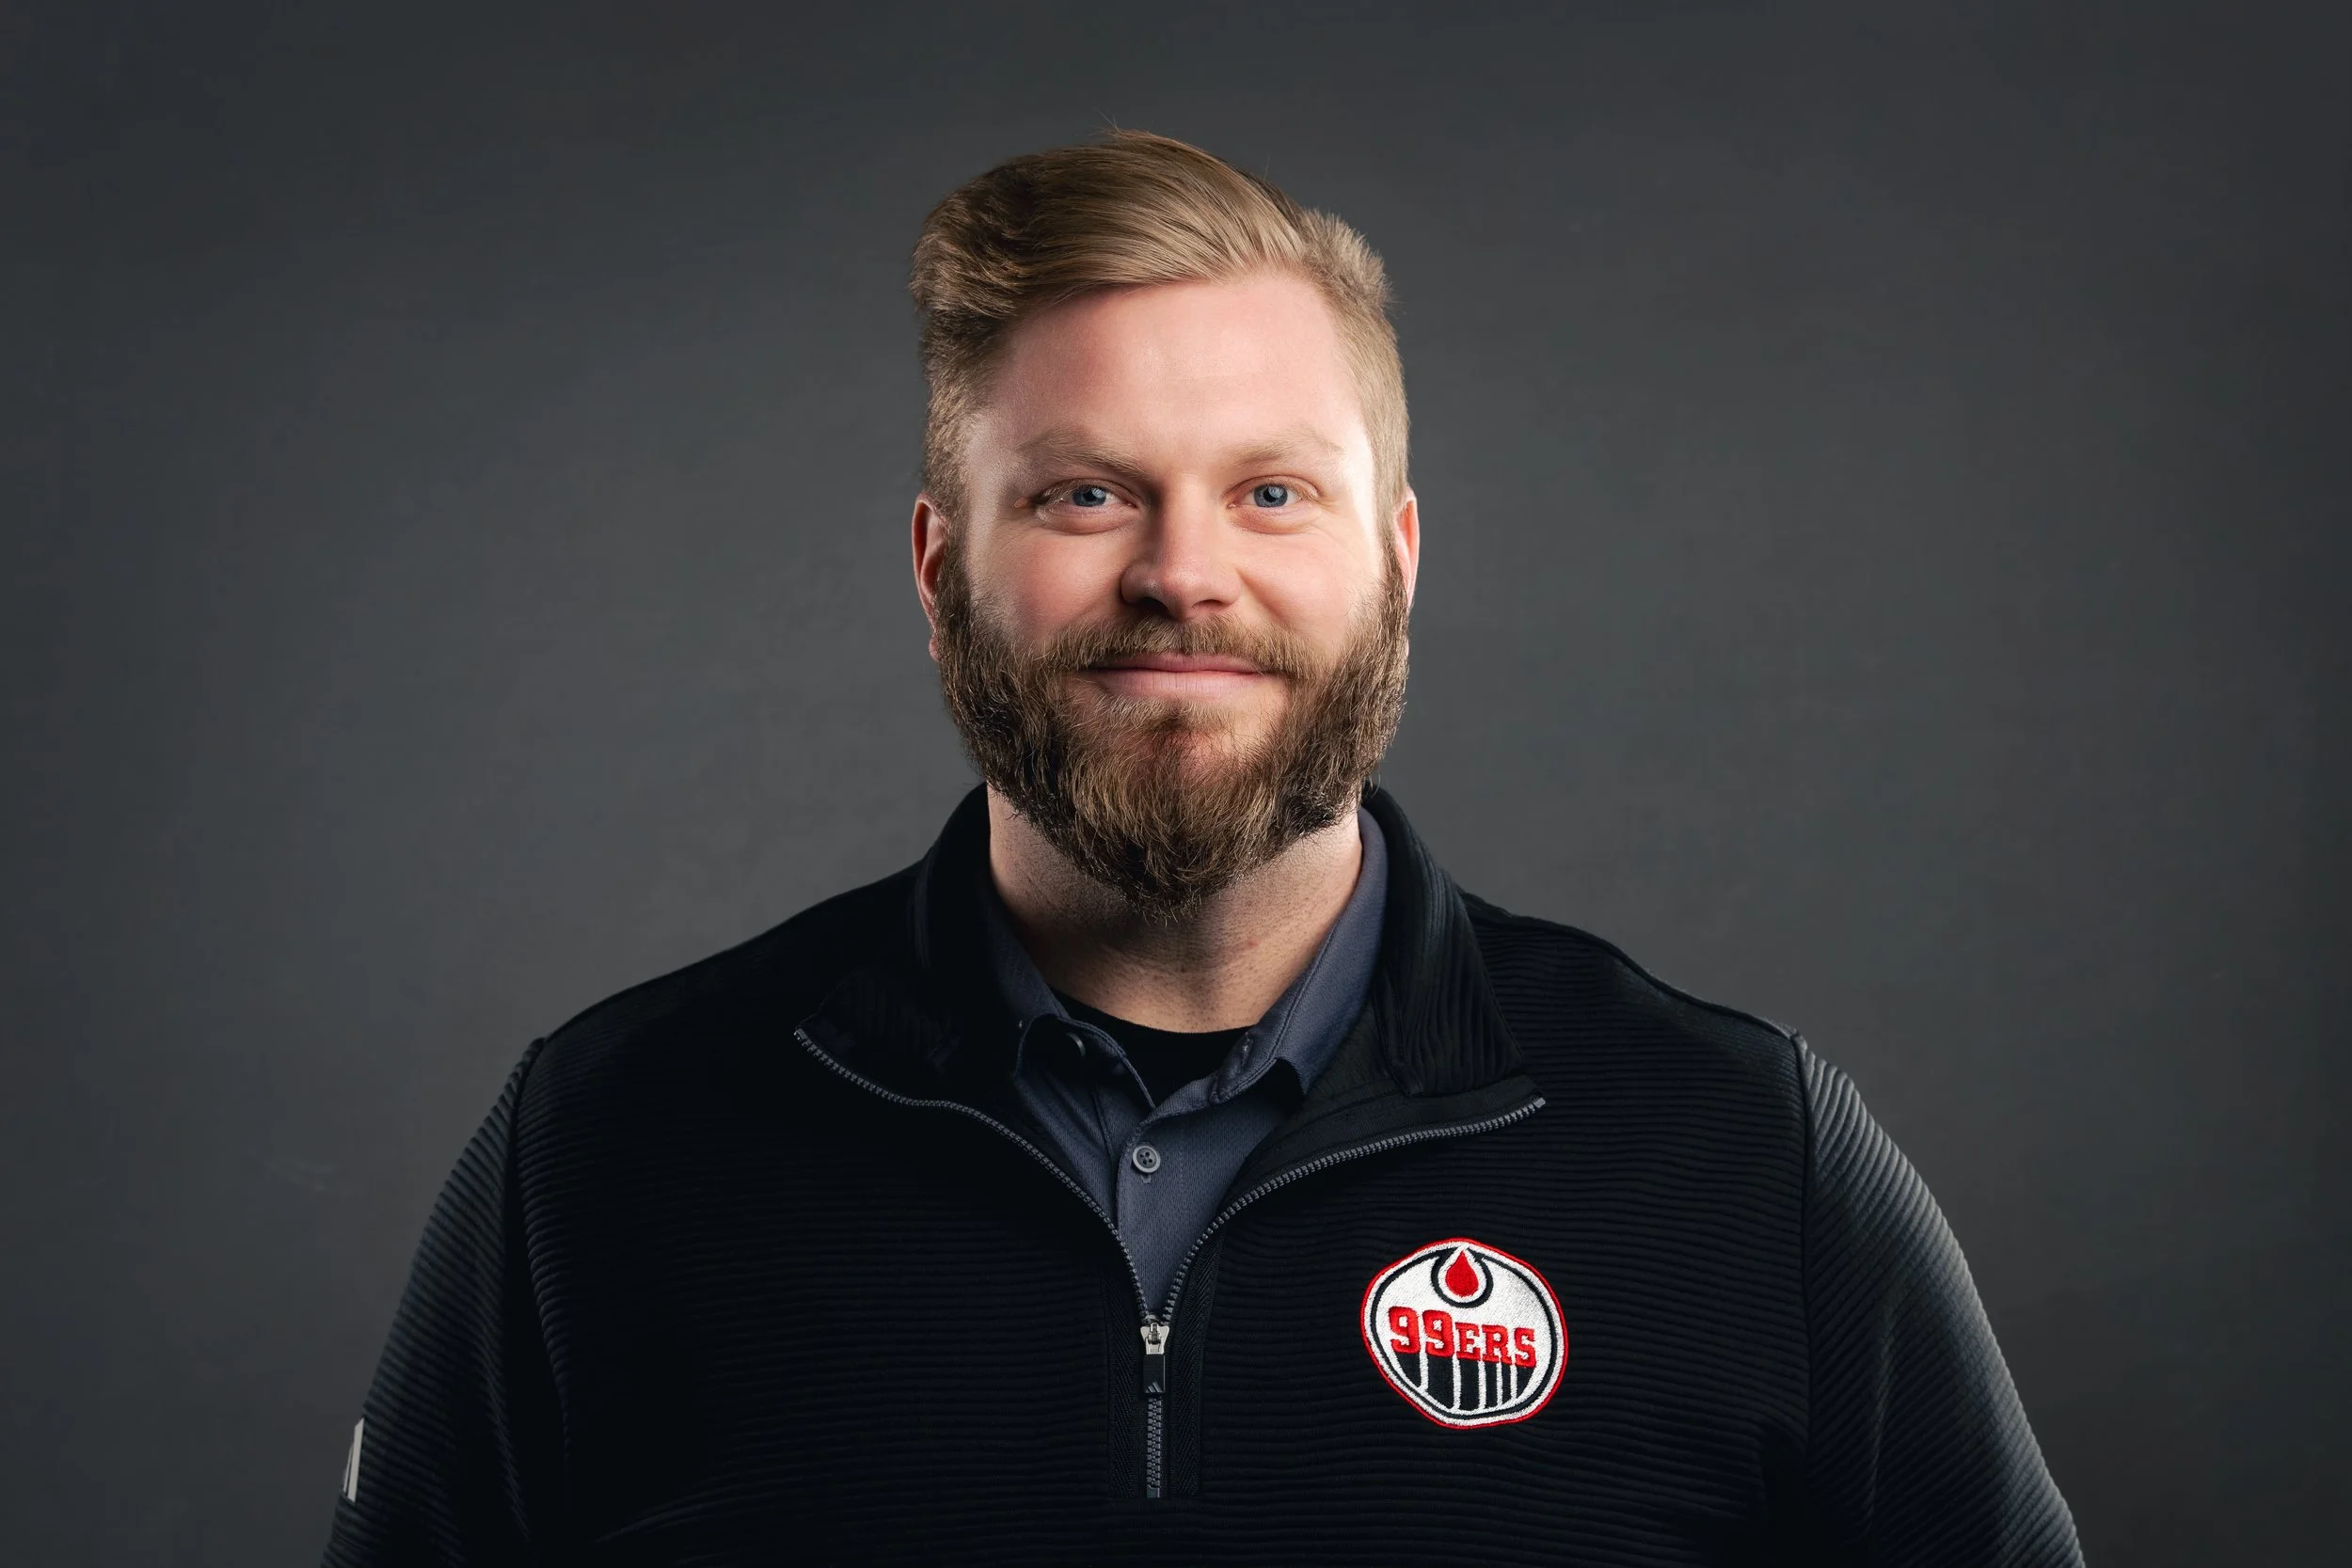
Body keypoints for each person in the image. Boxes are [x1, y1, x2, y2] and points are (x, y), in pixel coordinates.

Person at [322, 131, 2082, 1566]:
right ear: (940, 571)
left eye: (1270, 490)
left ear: (1397, 557)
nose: (1183, 570)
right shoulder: (606, 1149)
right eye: (1087, 491)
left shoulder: (1741, 1162)